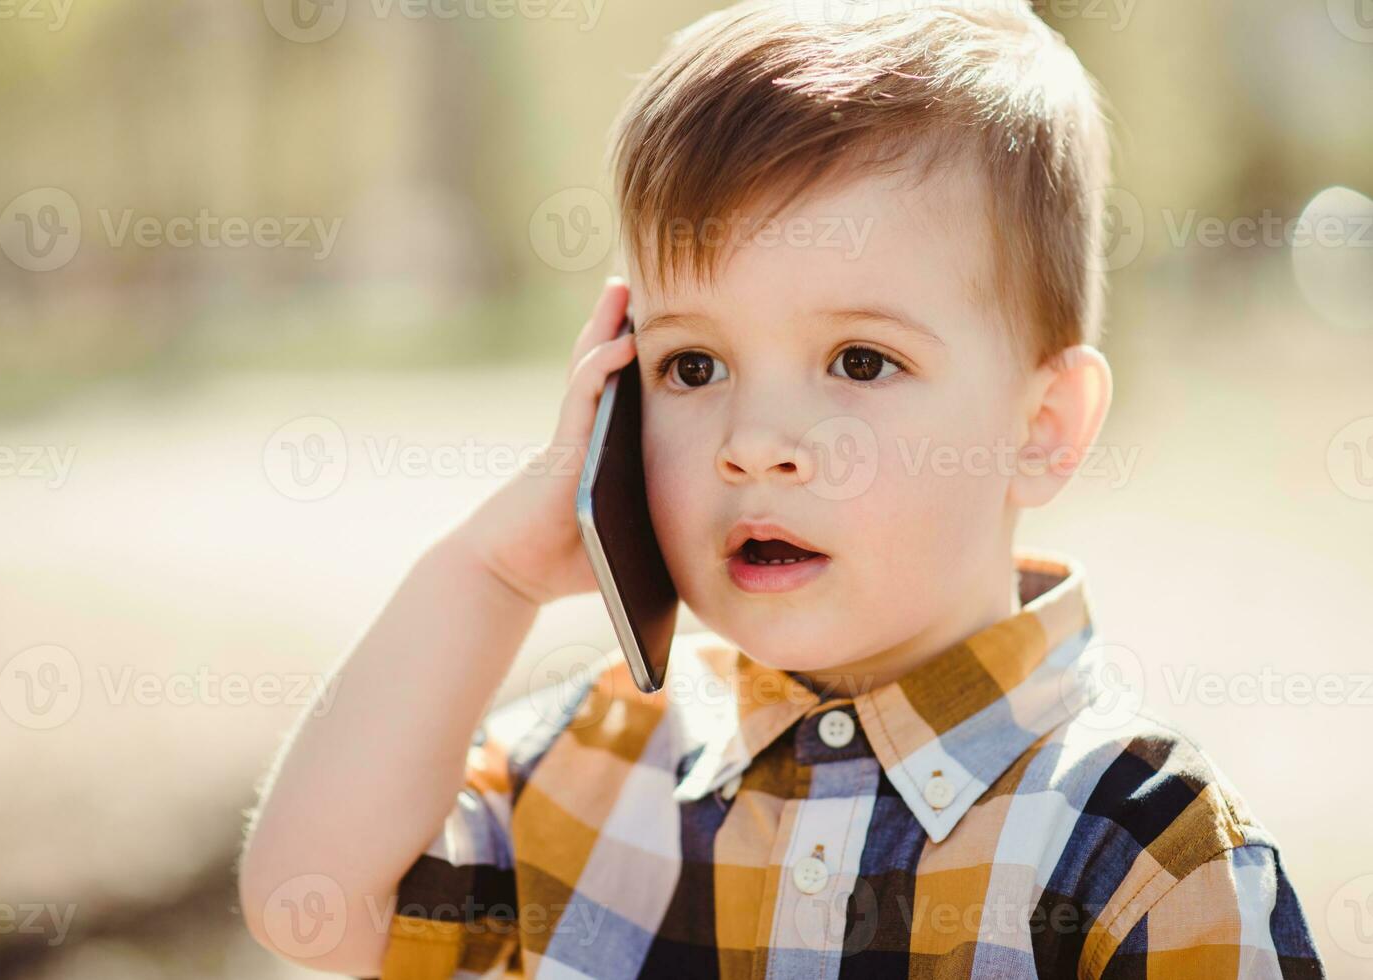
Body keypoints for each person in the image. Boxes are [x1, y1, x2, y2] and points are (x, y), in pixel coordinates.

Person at [238, 1, 1327, 976]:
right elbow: (314, 908)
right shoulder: (591, 762)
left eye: (860, 360)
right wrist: (484, 573)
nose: (754, 444)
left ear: (1039, 429)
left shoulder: (1138, 852)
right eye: (691, 366)